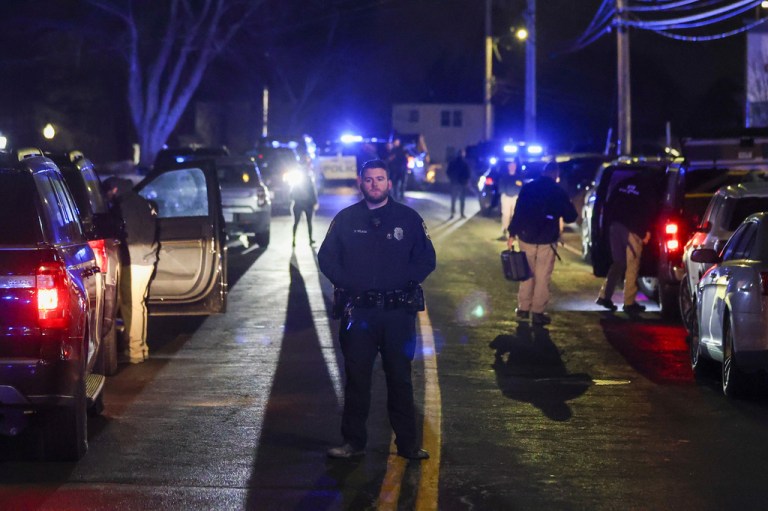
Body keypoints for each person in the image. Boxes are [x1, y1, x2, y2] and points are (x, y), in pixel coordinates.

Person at [318, 159, 436, 461]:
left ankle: (408, 445)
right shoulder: (346, 219)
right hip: (359, 313)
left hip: (398, 313)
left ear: (389, 182)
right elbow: (327, 258)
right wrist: (349, 282)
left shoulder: (407, 219)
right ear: (361, 182)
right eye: (369, 180)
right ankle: (353, 443)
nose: (374, 185)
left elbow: (426, 260)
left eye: (380, 179)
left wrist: (403, 280)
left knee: (400, 379)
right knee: (357, 380)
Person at [506, 161, 577, 326]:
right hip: (546, 238)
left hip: (526, 236)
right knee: (543, 276)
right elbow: (570, 216)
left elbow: (519, 212)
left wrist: (512, 233)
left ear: (543, 172)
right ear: (556, 174)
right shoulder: (557, 191)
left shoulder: (528, 187)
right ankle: (538, 312)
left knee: (526, 274)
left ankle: (523, 308)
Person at [103, 176, 159, 364]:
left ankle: (135, 351)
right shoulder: (140, 201)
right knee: (139, 305)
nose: (108, 197)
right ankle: (141, 348)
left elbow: (127, 236)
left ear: (114, 190)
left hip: (134, 261)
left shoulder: (123, 208)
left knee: (131, 304)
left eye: (108, 193)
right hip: (147, 259)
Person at [595, 174, 656, 314]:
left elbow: (609, 205)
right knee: (632, 265)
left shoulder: (621, 185)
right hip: (632, 230)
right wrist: (645, 232)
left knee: (618, 263)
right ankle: (629, 303)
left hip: (614, 226)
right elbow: (648, 211)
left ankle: (604, 296)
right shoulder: (648, 189)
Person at [290, 169, 319, 247]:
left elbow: (291, 195)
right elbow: (313, 193)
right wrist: (315, 202)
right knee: (309, 223)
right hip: (307, 204)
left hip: (299, 204)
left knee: (296, 223)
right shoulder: (309, 181)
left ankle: (294, 240)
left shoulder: (297, 181)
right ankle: (310, 240)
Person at [497, 158, 523, 240]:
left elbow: (520, 187)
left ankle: (513, 232)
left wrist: (517, 195)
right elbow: (501, 187)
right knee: (506, 214)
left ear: (515, 167)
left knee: (514, 215)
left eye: (514, 166)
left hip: (515, 197)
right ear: (509, 167)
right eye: (511, 166)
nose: (512, 167)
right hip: (506, 197)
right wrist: (504, 194)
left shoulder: (518, 177)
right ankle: (505, 230)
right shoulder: (504, 176)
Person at [446, 149, 471, 219]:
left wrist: (451, 179)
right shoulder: (464, 163)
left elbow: (448, 172)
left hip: (455, 183)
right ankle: (461, 214)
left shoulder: (453, 162)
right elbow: (468, 174)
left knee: (454, 199)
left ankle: (452, 213)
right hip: (462, 184)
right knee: (462, 199)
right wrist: (466, 181)